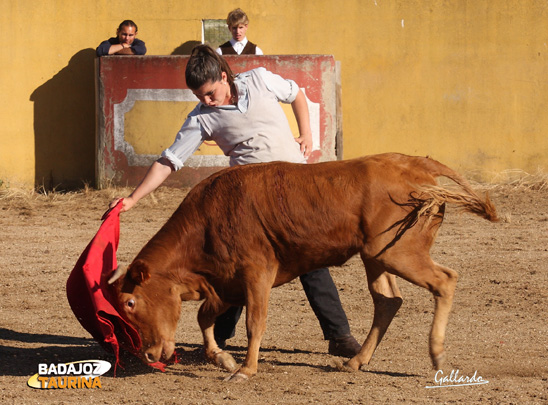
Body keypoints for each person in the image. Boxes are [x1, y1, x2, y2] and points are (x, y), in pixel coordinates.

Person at [109, 45, 360, 358]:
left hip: (295, 191)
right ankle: (221, 340)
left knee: (311, 261)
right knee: (235, 270)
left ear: (224, 77)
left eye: (210, 93)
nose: (206, 101)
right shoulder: (201, 118)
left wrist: (306, 133)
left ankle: (339, 336)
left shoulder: (260, 79)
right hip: (250, 206)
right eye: (200, 97)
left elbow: (297, 94)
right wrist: (133, 198)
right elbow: (170, 160)